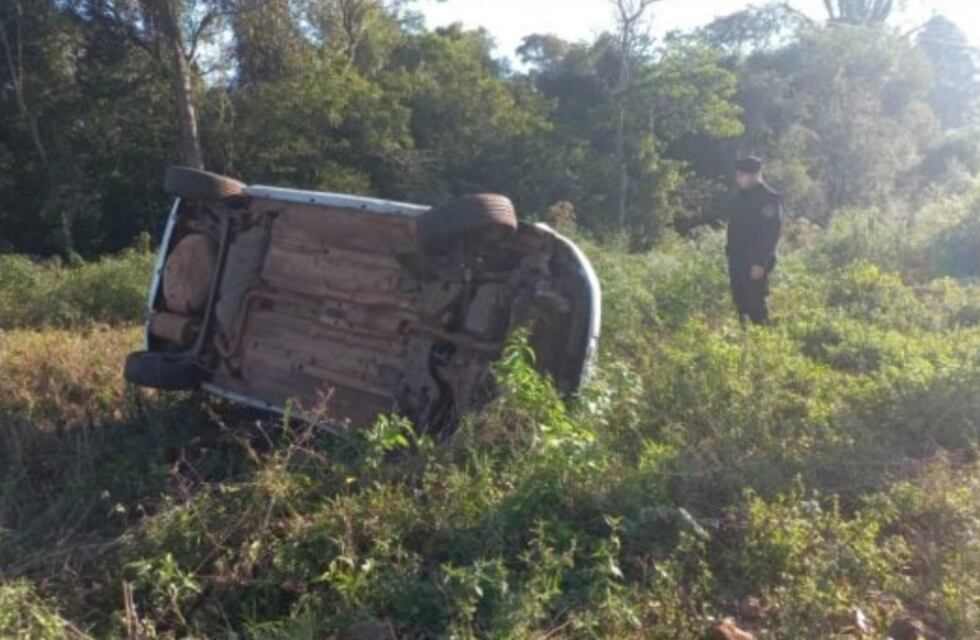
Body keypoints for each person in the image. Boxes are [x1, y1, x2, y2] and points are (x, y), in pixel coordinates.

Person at [722, 157, 782, 325]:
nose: (738, 178)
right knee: (739, 300)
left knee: (755, 302)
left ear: (754, 175)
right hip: (737, 258)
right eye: (738, 174)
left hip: (756, 261)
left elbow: (770, 234)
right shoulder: (738, 198)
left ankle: (763, 335)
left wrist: (759, 262)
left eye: (741, 175)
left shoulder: (769, 199)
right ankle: (745, 336)